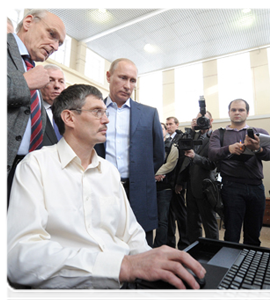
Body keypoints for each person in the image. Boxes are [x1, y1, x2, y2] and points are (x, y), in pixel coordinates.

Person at [5, 84, 205, 299]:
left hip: (126, 283)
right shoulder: (36, 166)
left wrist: (153, 261)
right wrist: (123, 266)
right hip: (70, 290)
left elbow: (131, 233)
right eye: (97, 112)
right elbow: (20, 256)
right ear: (69, 118)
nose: (107, 120)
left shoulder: (109, 171)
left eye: (105, 112)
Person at [94, 58, 165, 247]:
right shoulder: (92, 110)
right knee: (103, 242)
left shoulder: (149, 114)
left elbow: (158, 155)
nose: (128, 86)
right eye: (123, 78)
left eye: (133, 80)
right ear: (108, 76)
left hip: (140, 191)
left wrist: (141, 175)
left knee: (141, 246)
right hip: (101, 189)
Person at [5, 8, 66, 213]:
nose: (55, 46)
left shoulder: (32, 69)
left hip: (25, 172)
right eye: (52, 35)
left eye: (60, 43)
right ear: (29, 22)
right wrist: (24, 83)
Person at [209, 99, 270, 246]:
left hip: (256, 187)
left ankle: (250, 266)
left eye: (241, 110)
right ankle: (229, 267)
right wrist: (229, 149)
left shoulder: (260, 133)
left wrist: (258, 149)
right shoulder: (219, 134)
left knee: (253, 233)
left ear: (247, 112)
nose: (237, 112)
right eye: (233, 110)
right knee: (232, 233)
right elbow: (212, 154)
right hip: (231, 187)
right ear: (229, 113)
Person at [176, 111, 219, 244]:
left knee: (209, 223)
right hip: (191, 187)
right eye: (199, 119)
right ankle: (195, 251)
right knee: (192, 223)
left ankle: (213, 253)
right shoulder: (192, 136)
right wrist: (180, 181)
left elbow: (213, 164)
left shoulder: (215, 137)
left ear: (211, 121)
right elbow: (185, 159)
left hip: (207, 188)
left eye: (204, 119)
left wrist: (196, 156)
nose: (201, 122)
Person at [165, 116, 190, 250]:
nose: (168, 126)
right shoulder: (166, 138)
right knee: (169, 215)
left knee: (181, 214)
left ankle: (184, 243)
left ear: (177, 125)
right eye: (167, 124)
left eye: (171, 124)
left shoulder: (181, 138)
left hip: (177, 183)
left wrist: (180, 183)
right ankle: (170, 243)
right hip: (167, 183)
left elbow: (183, 163)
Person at [154, 123, 179, 248]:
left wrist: (155, 174)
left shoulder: (172, 146)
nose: (159, 130)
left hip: (165, 188)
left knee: (162, 220)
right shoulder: (149, 145)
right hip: (149, 187)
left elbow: (170, 165)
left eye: (162, 128)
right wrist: (152, 177)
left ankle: (159, 246)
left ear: (166, 131)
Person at [41, 64, 66, 142]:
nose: (57, 86)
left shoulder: (69, 114)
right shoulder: (31, 111)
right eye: (50, 80)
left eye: (61, 81)